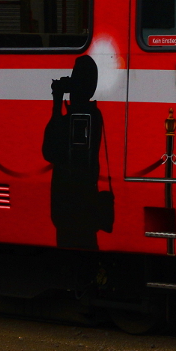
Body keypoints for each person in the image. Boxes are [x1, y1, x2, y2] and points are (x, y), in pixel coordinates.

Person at [42, 55, 108, 249]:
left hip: (71, 201)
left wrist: (57, 102)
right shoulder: (93, 115)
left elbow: (50, 151)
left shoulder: (81, 117)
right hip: (82, 199)